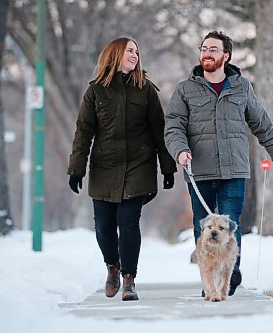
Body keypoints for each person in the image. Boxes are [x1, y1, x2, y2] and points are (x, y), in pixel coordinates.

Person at [164, 31, 273, 296]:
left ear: (225, 56)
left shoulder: (241, 87)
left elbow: (260, 122)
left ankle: (230, 273)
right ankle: (209, 281)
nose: (207, 53)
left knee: (230, 224)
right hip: (199, 170)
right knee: (204, 224)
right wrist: (180, 150)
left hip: (234, 170)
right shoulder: (185, 89)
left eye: (213, 49)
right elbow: (173, 125)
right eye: (204, 48)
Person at [67, 37, 177, 301]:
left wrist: (167, 167)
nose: (135, 55)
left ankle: (129, 279)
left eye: (137, 51)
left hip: (139, 166)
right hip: (104, 167)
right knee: (103, 227)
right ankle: (112, 266)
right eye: (130, 50)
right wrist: (76, 168)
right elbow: (84, 132)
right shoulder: (95, 91)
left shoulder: (146, 90)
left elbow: (159, 131)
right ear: (115, 54)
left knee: (128, 224)